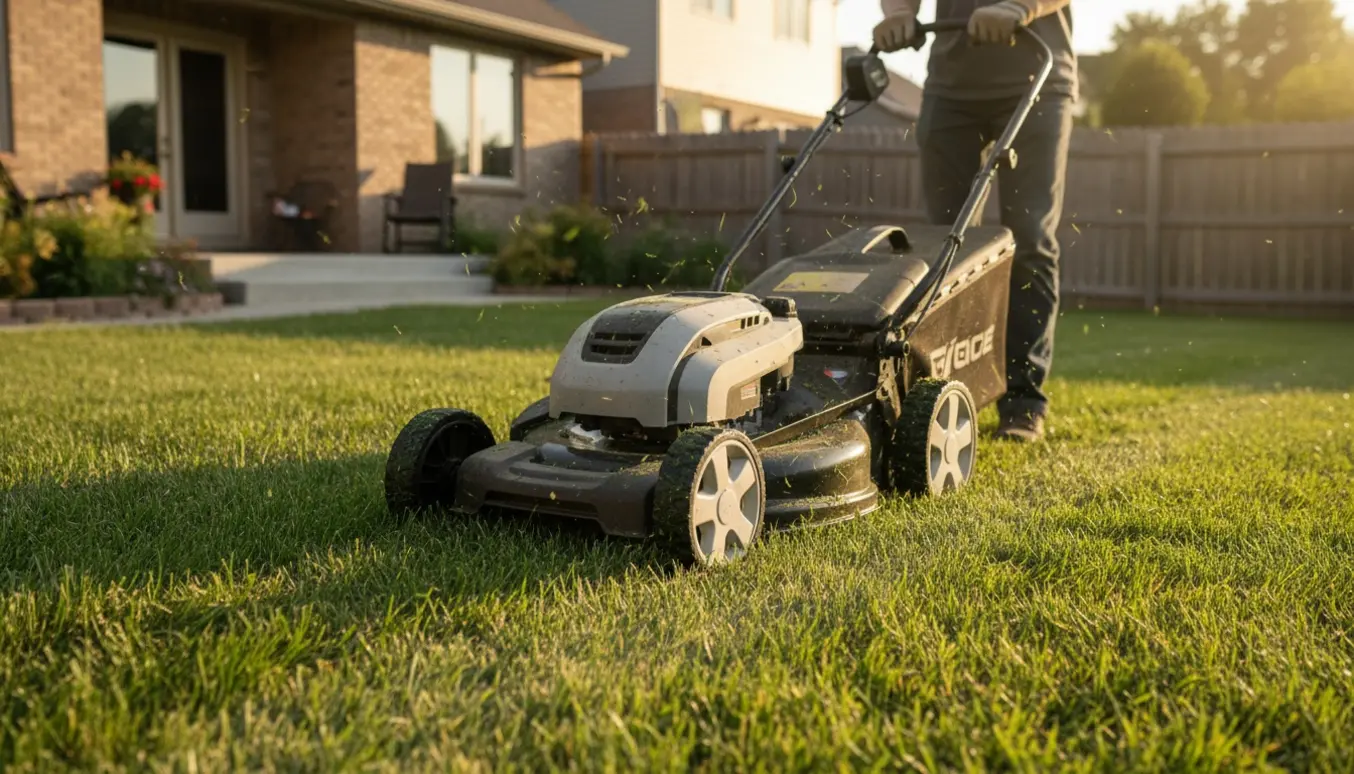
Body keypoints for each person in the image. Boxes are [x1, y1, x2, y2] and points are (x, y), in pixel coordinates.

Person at [874, 0, 1075, 442]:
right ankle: (946, 393)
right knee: (946, 249)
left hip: (1036, 76)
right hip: (951, 87)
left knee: (1029, 239)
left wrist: (1021, 6)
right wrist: (898, 13)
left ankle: (1023, 402)